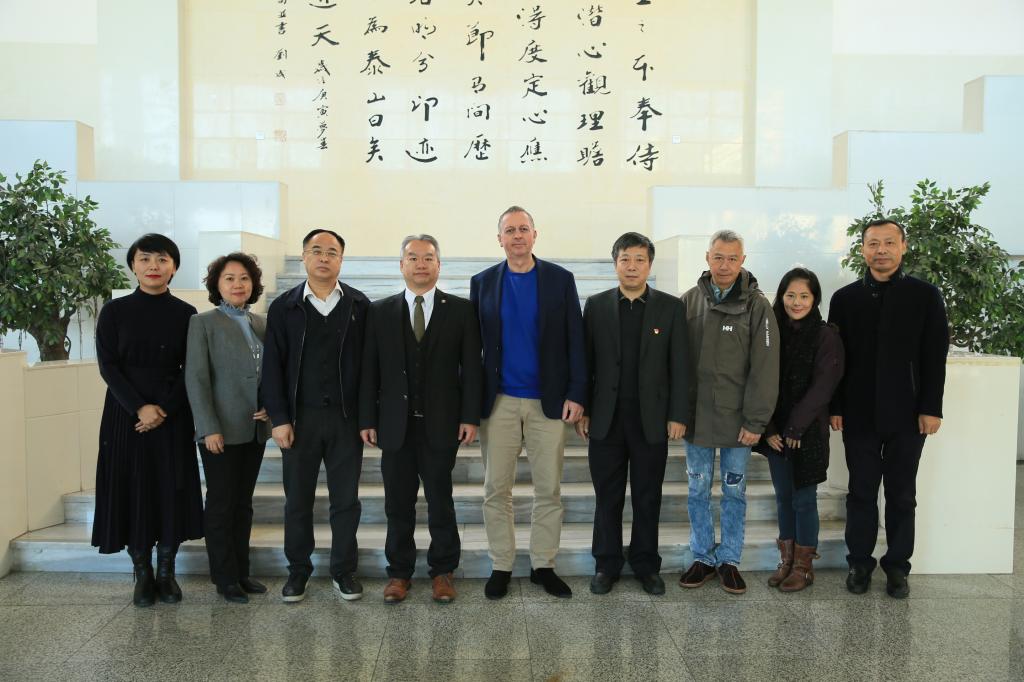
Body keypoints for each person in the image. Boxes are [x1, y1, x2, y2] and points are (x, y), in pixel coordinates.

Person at [828, 218, 949, 599]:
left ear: (903, 246)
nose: (881, 250)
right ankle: (859, 564)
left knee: (901, 494)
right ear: (862, 249)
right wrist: (836, 406)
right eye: (873, 243)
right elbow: (835, 360)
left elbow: (934, 357)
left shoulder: (925, 296)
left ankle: (897, 567)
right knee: (861, 492)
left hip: (909, 415)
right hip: (859, 414)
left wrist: (931, 408)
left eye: (889, 242)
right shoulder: (845, 299)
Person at [471, 206, 587, 600]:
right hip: (499, 401)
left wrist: (577, 393)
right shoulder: (483, 282)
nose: (517, 236)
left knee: (548, 489)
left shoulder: (559, 280)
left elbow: (575, 339)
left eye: (523, 229)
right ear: (499, 239)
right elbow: (473, 348)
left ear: (535, 235)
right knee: (495, 489)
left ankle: (543, 565)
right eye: (510, 230)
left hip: (547, 402)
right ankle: (501, 564)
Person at [359, 235, 482, 604]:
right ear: (401, 265)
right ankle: (399, 573)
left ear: (439, 265)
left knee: (441, 501)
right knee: (397, 503)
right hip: (395, 426)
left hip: (441, 424)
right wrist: (367, 418)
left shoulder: (460, 310)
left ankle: (443, 571)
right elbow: (369, 370)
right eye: (413, 258)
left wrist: (470, 416)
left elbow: (471, 369)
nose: (421, 264)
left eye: (428, 258)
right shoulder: (379, 311)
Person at [92, 233, 202, 607]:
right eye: (145, 259)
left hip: (173, 414)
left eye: (162, 259)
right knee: (131, 488)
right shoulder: (114, 311)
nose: (153, 266)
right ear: (133, 266)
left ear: (174, 267)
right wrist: (140, 407)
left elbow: (192, 368)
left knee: (170, 488)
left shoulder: (186, 313)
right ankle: (142, 573)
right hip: (125, 414)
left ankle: (167, 573)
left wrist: (163, 409)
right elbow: (108, 366)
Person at [577, 232, 689, 596]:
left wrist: (678, 414)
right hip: (606, 419)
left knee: (647, 496)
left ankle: (645, 564)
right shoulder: (596, 306)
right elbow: (585, 363)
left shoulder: (670, 308)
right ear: (615, 264)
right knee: (606, 497)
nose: (632, 266)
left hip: (650, 420)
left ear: (649, 265)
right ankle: (606, 564)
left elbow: (680, 366)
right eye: (625, 259)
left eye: (640, 259)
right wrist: (584, 409)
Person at [262, 228, 369, 603]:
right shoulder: (284, 307)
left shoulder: (359, 305)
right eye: (317, 250)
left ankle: (344, 571)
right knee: (297, 501)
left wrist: (366, 419)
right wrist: (279, 419)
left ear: (342, 259)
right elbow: (272, 368)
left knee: (346, 501)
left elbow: (369, 369)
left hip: (346, 420)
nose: (324, 257)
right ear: (304, 256)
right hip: (299, 420)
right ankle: (298, 571)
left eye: (332, 252)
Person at [678, 229, 779, 595]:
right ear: (707, 258)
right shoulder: (688, 301)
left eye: (732, 258)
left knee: (734, 492)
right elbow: (677, 365)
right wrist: (677, 413)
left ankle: (730, 560)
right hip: (697, 420)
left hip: (739, 422)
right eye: (718, 257)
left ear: (743, 261)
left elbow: (765, 368)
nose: (724, 265)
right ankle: (703, 557)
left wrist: (756, 421)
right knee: (697, 490)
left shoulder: (758, 306)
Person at [185, 253, 271, 604]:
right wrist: (208, 428)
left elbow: (271, 373)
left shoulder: (261, 323)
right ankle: (224, 577)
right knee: (221, 504)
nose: (238, 284)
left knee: (243, 504)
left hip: (255, 429)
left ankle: (242, 571)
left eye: (244, 278)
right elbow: (196, 379)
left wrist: (270, 406)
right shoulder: (203, 323)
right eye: (230, 278)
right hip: (220, 430)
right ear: (217, 285)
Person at [754, 267, 844, 592]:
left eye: (804, 296)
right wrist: (769, 428)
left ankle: (804, 567)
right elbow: (760, 379)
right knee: (783, 498)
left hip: (807, 432)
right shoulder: (770, 332)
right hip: (776, 433)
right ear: (781, 297)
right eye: (790, 295)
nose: (796, 302)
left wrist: (795, 427)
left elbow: (824, 387)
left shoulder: (826, 335)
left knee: (804, 499)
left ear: (815, 299)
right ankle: (787, 561)